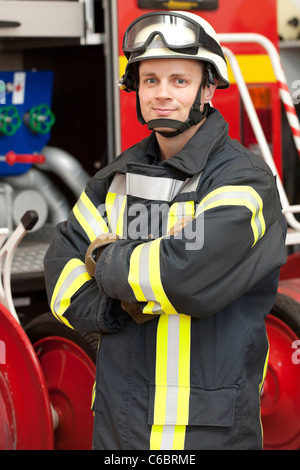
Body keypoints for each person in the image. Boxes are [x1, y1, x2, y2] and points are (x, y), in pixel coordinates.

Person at [44, 10, 287, 450]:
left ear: (208, 88)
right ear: (135, 89)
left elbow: (183, 277)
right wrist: (120, 307)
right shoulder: (113, 179)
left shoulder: (243, 181)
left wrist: (103, 258)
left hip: (207, 432)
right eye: (150, 80)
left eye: (179, 80)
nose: (162, 94)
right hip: (118, 428)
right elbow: (60, 273)